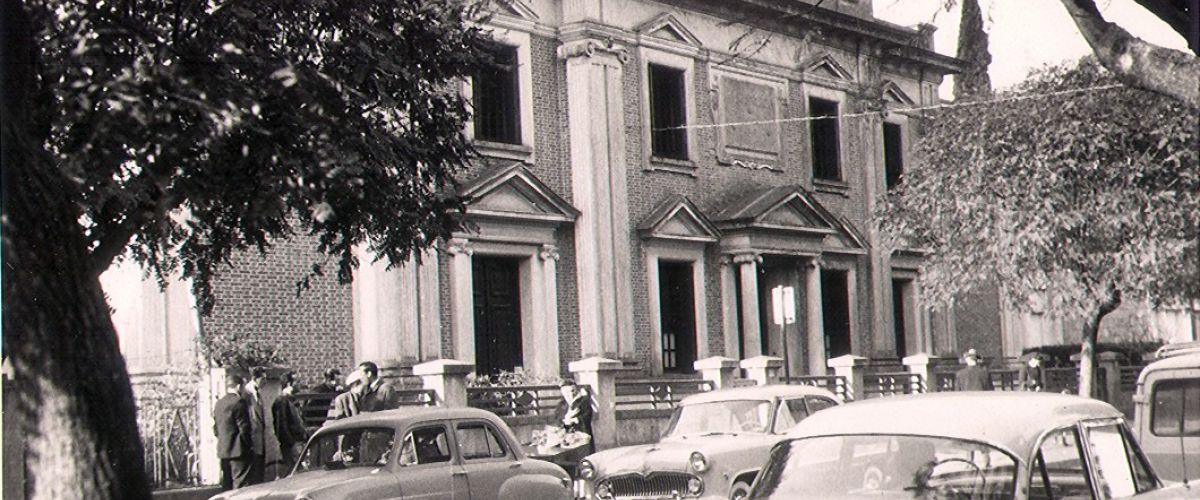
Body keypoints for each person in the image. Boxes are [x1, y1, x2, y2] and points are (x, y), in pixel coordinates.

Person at [213, 374, 252, 490]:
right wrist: (249, 446)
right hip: (239, 452)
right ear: (239, 386)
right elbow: (244, 429)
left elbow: (215, 429)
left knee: (227, 486)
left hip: (223, 451)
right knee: (241, 486)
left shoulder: (219, 403)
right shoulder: (239, 402)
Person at [272, 371, 309, 475]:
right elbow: (281, 425)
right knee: (293, 470)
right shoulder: (281, 401)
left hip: (297, 441)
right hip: (291, 444)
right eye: (297, 381)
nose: (300, 384)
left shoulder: (292, 400)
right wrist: (291, 442)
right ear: (289, 384)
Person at [241, 366, 268, 484]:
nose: (265, 382)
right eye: (262, 379)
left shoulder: (258, 392)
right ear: (254, 378)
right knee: (254, 473)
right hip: (253, 439)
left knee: (260, 471)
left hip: (260, 438)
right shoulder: (247, 393)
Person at [554, 379, 595, 453]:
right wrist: (566, 419)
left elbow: (587, 417)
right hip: (565, 439)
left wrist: (574, 419)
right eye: (567, 392)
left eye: (573, 391)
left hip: (582, 437)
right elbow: (557, 421)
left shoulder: (583, 402)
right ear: (562, 393)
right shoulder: (561, 405)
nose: (571, 394)